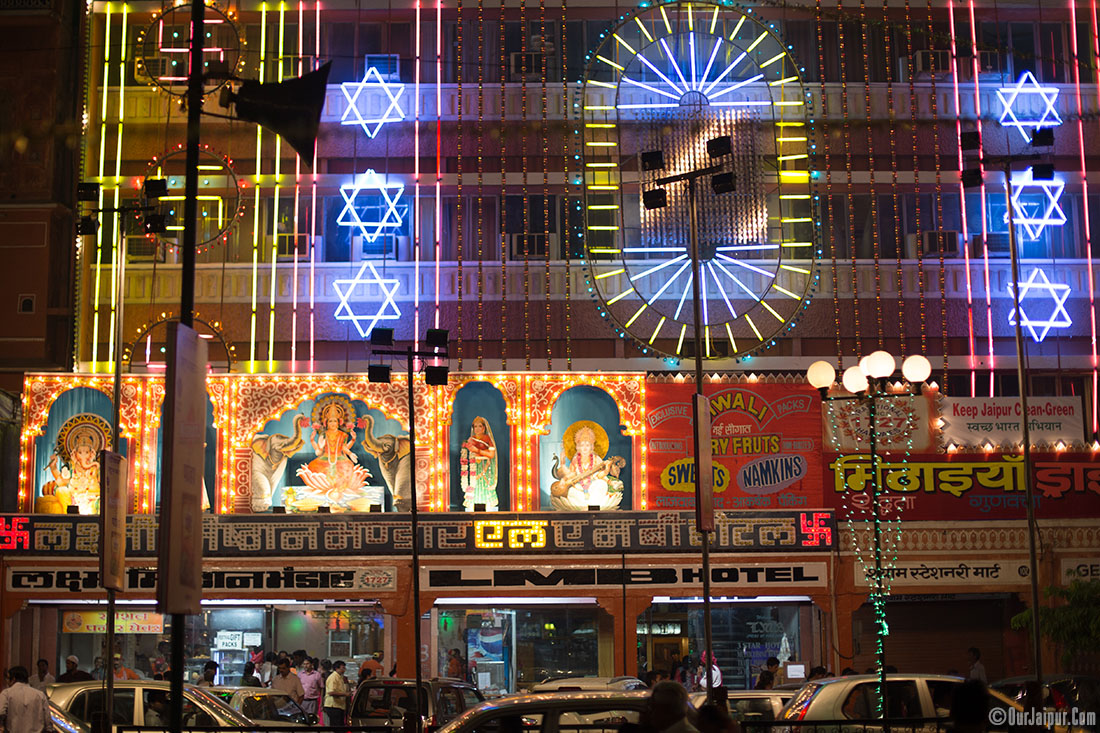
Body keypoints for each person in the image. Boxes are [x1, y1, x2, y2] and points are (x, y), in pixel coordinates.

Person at [295, 399, 371, 504]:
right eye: (330, 421)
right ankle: (324, 488)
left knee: (348, 467)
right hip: (324, 458)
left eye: (335, 421)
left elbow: (344, 448)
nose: (333, 423)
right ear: (326, 422)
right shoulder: (323, 434)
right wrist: (313, 440)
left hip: (340, 458)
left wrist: (351, 449)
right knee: (313, 467)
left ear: (339, 422)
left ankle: (340, 489)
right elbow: (318, 452)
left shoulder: (343, 435)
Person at [0, 666, 53, 733]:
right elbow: (48, 720)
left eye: (7, 678)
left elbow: (1, 712)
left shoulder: (6, 693)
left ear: (13, 679)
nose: (7, 681)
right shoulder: (40, 695)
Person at [461, 417, 498, 510]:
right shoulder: (470, 440)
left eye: (480, 426)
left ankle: (489, 506)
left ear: (484, 428)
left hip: (486, 466)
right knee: (475, 486)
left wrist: (477, 450)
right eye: (475, 426)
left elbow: (491, 454)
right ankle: (472, 505)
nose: (477, 429)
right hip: (475, 467)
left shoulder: (487, 439)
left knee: (485, 486)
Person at [323, 660, 351, 726]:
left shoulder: (340, 677)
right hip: (333, 705)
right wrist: (345, 694)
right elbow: (331, 692)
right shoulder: (333, 677)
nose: (344, 670)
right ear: (337, 668)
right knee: (336, 725)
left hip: (339, 705)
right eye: (343, 668)